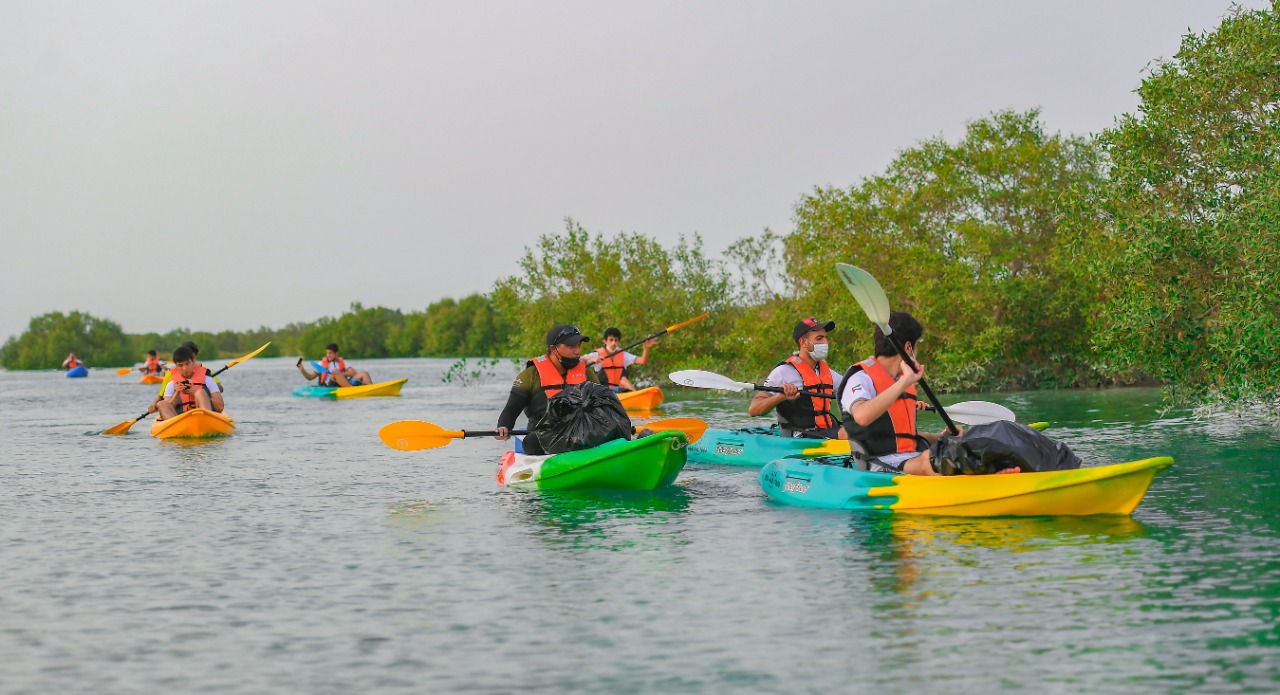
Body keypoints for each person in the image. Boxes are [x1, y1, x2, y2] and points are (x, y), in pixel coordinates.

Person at [839, 311, 1014, 476]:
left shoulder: (898, 379)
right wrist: (904, 382)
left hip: (910, 458)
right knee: (931, 460)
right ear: (908, 347)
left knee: (962, 444)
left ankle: (993, 469)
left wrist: (940, 437)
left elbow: (903, 436)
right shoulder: (860, 377)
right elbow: (861, 416)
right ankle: (986, 476)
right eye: (917, 345)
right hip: (880, 465)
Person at [494, 324, 610, 454]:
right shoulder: (531, 375)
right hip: (542, 437)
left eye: (578, 346)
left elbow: (604, 408)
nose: (577, 351)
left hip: (580, 435)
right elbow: (511, 409)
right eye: (571, 346)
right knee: (533, 441)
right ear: (554, 349)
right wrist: (503, 427)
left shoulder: (588, 374)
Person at [748, 318, 847, 439]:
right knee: (854, 434)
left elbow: (851, 390)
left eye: (826, 338)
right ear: (803, 342)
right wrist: (780, 397)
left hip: (827, 430)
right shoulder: (783, 372)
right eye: (819, 339)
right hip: (800, 434)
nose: (825, 343)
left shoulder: (828, 373)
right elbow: (754, 410)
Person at [151, 345, 224, 420]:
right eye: (180, 365)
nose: (184, 369)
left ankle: (204, 420)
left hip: (203, 417)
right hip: (180, 420)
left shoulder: (208, 380)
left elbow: (220, 407)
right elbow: (167, 407)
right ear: (176, 366)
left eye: (187, 364)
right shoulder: (171, 385)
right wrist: (176, 394)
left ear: (193, 362)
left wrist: (196, 392)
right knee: (161, 403)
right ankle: (178, 428)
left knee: (200, 392)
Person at [582, 327, 657, 392]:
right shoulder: (597, 354)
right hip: (603, 391)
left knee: (622, 378)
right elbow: (581, 359)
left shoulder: (623, 355)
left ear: (618, 342)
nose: (613, 343)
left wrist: (646, 348)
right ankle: (633, 393)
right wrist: (592, 358)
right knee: (621, 379)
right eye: (611, 340)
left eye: (616, 340)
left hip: (619, 390)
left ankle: (634, 394)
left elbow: (643, 361)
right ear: (605, 341)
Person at [297, 343, 373, 387]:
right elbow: (310, 377)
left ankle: (371, 389)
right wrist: (303, 370)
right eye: (327, 353)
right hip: (331, 385)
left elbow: (353, 373)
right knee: (335, 371)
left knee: (364, 373)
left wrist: (341, 374)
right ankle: (352, 389)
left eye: (330, 353)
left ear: (336, 353)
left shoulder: (342, 362)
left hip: (344, 382)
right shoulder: (321, 364)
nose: (328, 355)